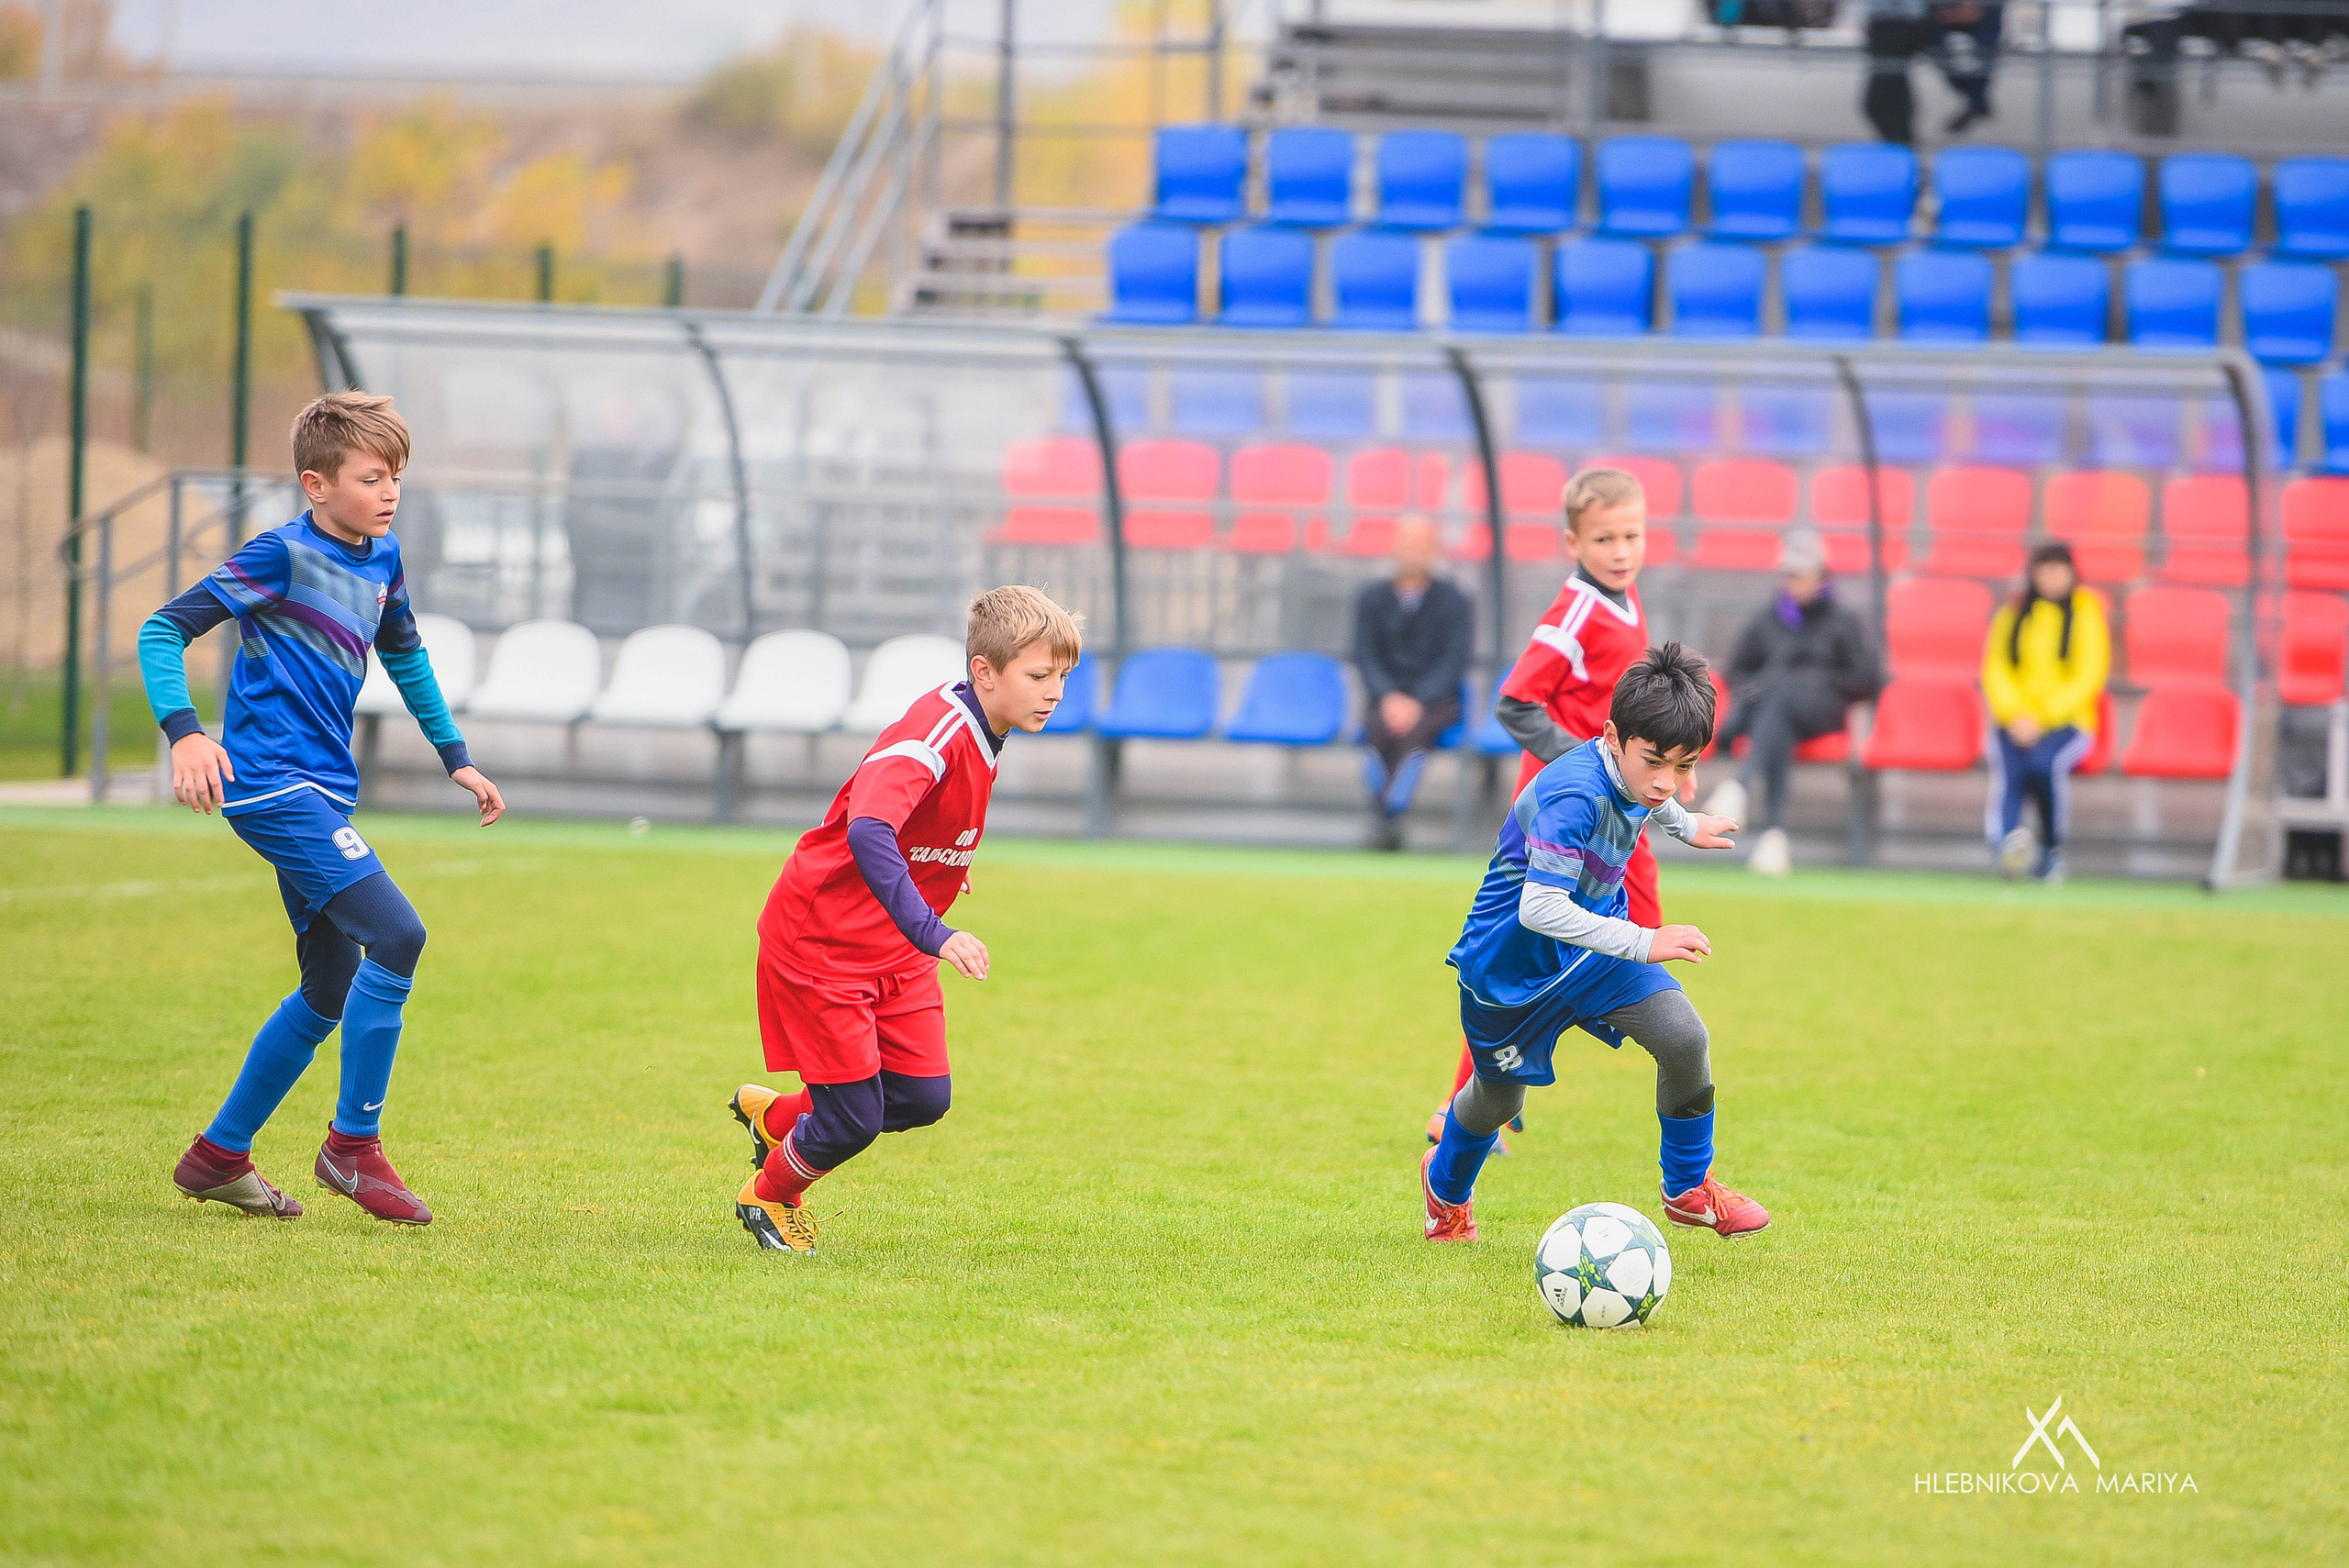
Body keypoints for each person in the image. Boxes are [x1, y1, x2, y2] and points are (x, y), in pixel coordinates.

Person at [144, 392, 504, 1226]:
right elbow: (163, 632)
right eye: (372, 477)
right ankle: (352, 1146)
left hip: (322, 789)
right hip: (271, 785)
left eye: (397, 477)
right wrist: (186, 735)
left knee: (329, 986)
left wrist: (458, 757)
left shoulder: (383, 560)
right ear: (317, 483)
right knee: (401, 933)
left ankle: (218, 1155)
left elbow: (407, 658)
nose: (390, 492)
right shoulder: (281, 555)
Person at [728, 586, 1083, 1254]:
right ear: (985, 672)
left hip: (890, 946)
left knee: (921, 1097)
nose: (1055, 691)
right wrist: (936, 930)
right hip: (823, 941)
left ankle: (776, 1117)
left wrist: (946, 870)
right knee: (854, 1120)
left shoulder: (987, 727)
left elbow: (923, 823)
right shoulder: (937, 729)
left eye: (1063, 676)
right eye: (1040, 675)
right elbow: (869, 829)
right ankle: (769, 1193)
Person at [1421, 644, 1770, 1243]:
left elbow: (1647, 799)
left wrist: (1689, 826)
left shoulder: (1642, 775)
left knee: (1685, 1038)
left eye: (1685, 766)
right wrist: (1645, 939)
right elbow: (1539, 908)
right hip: (1509, 970)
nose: (1667, 782)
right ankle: (1445, 1191)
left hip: (1590, 954)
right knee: (1496, 1102)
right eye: (1655, 761)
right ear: (1611, 736)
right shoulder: (1572, 796)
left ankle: (1687, 1187)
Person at [1423, 466, 1666, 1146]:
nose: (1621, 550)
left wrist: (1665, 763)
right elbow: (1515, 701)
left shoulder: (1625, 596)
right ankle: (1465, 1103)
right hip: (1569, 815)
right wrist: (1593, 766)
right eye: (1604, 538)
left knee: (1628, 940)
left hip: (1616, 810)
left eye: (1632, 534)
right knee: (1561, 956)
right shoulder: (1578, 610)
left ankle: (1501, 1083)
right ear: (1573, 542)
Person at [1704, 529, 1882, 879]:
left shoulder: (1842, 621)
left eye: (1801, 573)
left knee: (1780, 701)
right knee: (1776, 719)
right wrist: (1760, 687)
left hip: (1823, 711)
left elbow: (1866, 678)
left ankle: (1740, 786)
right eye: (1789, 573)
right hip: (1777, 712)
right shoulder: (1767, 618)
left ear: (1821, 575)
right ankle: (1773, 836)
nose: (1794, 581)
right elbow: (1738, 669)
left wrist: (1821, 682)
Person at [1981, 541, 2109, 885]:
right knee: (2009, 768)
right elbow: (1996, 669)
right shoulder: (2014, 612)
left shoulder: (2086, 611)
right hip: (2015, 722)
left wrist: (2045, 716)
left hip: (2067, 723)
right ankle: (2005, 848)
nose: (2051, 577)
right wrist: (2013, 715)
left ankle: (2052, 849)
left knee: (2044, 766)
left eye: (2058, 569)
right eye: (2044, 568)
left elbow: (2090, 673)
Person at [1353, 515, 1472, 851]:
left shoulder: (1453, 601)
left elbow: (1453, 661)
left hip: (1436, 702)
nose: (1414, 552)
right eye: (1408, 543)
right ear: (1395, 547)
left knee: (1414, 736)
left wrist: (1417, 701)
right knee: (1375, 733)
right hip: (1384, 700)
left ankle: (1386, 818)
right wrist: (1389, 697)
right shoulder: (1372, 598)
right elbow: (1365, 654)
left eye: (1422, 544)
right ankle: (1389, 819)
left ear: (1434, 550)